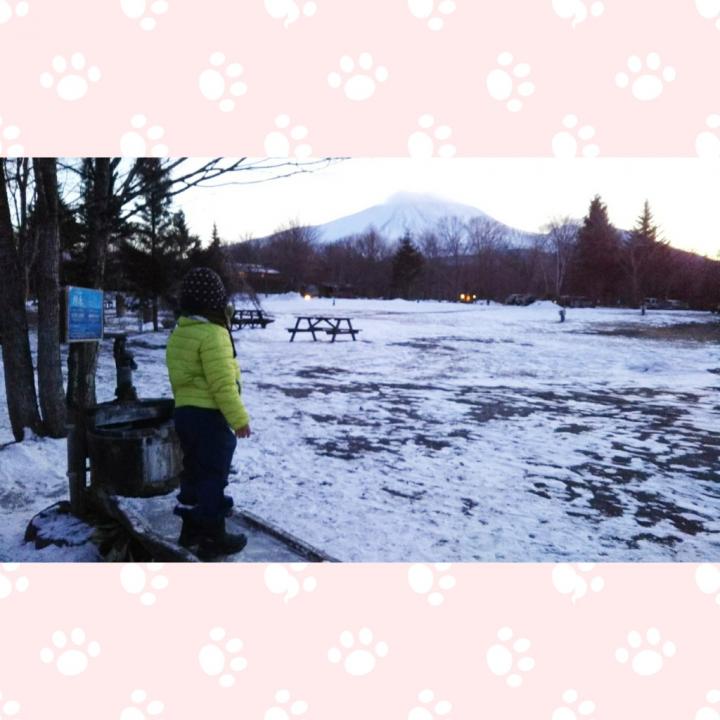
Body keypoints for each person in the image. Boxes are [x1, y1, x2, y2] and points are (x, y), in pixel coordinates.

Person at [165, 267, 251, 560]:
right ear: (215, 299)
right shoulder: (214, 333)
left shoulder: (181, 330)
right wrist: (238, 419)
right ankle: (213, 536)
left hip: (185, 414)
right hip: (209, 416)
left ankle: (190, 530)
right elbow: (222, 384)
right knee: (213, 474)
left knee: (193, 471)